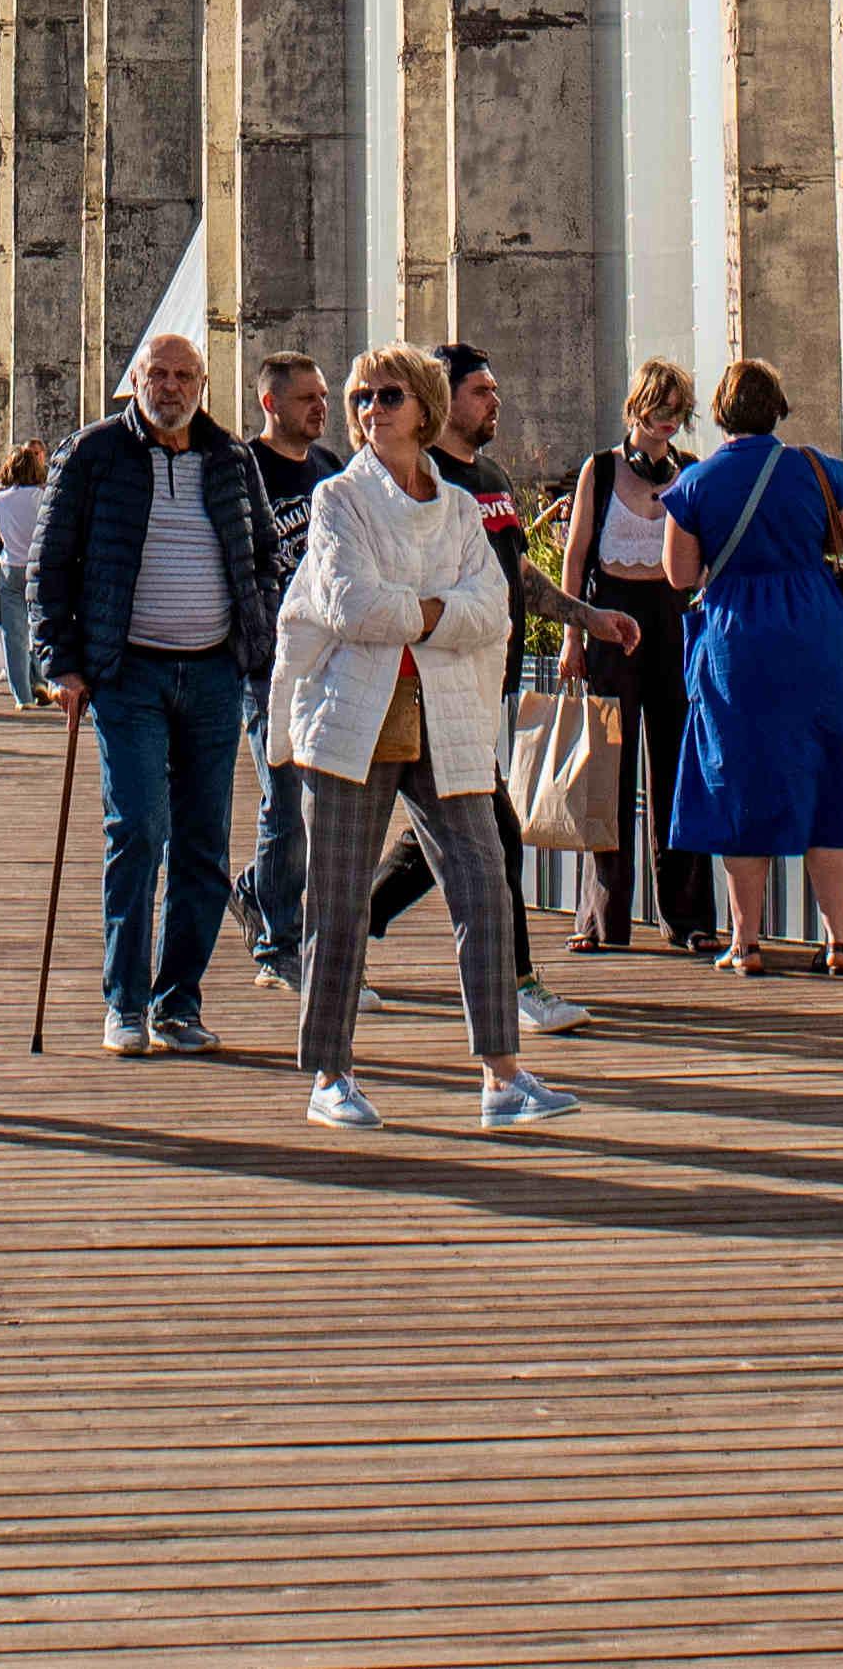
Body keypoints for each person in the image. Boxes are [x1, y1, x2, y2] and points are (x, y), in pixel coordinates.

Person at [273, 344, 574, 1134]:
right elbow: (351, 606)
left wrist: (417, 612)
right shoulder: (338, 498)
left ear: (424, 409)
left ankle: (501, 1075)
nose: (371, 409)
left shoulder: (461, 509)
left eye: (389, 396)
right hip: (354, 713)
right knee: (338, 900)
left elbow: (493, 610)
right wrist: (440, 611)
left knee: (483, 886)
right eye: (361, 397)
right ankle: (330, 1074)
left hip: (446, 712)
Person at [360, 343, 622, 1042]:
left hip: (484, 688)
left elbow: (517, 577)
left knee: (440, 836)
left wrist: (587, 618)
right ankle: (516, 983)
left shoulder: (492, 478)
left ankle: (328, 937)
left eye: (494, 389)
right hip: (427, 687)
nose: (494, 401)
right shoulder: (424, 480)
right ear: (441, 399)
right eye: (480, 391)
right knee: (493, 833)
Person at [42, 332, 273, 1058]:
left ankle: (179, 1003)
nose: (171, 387)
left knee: (204, 843)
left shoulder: (230, 457)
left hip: (214, 674)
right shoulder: (93, 453)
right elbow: (49, 561)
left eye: (184, 376)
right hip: (127, 673)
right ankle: (125, 1002)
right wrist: (60, 663)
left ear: (202, 384)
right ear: (135, 381)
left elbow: (264, 554)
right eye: (158, 375)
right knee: (139, 830)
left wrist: (257, 632)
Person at [663, 355, 843, 975]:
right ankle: (837, 942)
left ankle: (746, 943)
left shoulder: (696, 483)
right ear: (777, 407)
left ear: (720, 412)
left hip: (737, 643)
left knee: (740, 782)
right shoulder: (819, 469)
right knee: (828, 778)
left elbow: (680, 574)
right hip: (817, 634)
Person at [561, 362, 715, 958]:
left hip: (674, 621)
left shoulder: (691, 470)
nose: (669, 419)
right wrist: (574, 636)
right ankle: (603, 918)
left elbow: (705, 554)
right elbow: (576, 558)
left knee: (679, 767)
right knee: (609, 770)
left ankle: (689, 917)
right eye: (660, 407)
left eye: (679, 410)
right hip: (611, 621)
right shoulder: (600, 469)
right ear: (637, 406)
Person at [235, 357, 341, 988]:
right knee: (285, 798)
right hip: (266, 663)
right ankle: (279, 946)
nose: (320, 408)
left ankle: (257, 888)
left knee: (315, 802)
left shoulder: (330, 469)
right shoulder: (241, 469)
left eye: (323, 396)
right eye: (306, 398)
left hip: (328, 659)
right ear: (270, 403)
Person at [0, 442, 51, 702]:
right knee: (41, 627)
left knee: (14, 635)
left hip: (11, 567)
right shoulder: (44, 497)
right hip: (39, 566)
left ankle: (22, 696)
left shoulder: (0, 499)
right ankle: (42, 679)